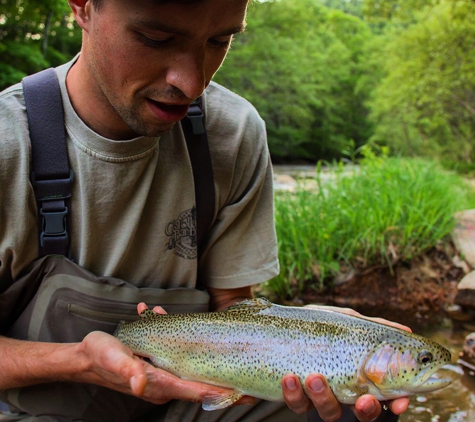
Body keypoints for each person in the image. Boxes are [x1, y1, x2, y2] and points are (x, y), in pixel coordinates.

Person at [0, 0, 410, 421]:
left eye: (220, 40)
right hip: (28, 408)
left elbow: (231, 307)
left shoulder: (232, 132)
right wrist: (81, 361)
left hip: (188, 398)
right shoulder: (7, 142)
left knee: (363, 408)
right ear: (83, 7)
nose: (192, 82)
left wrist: (305, 337)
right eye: (157, 38)